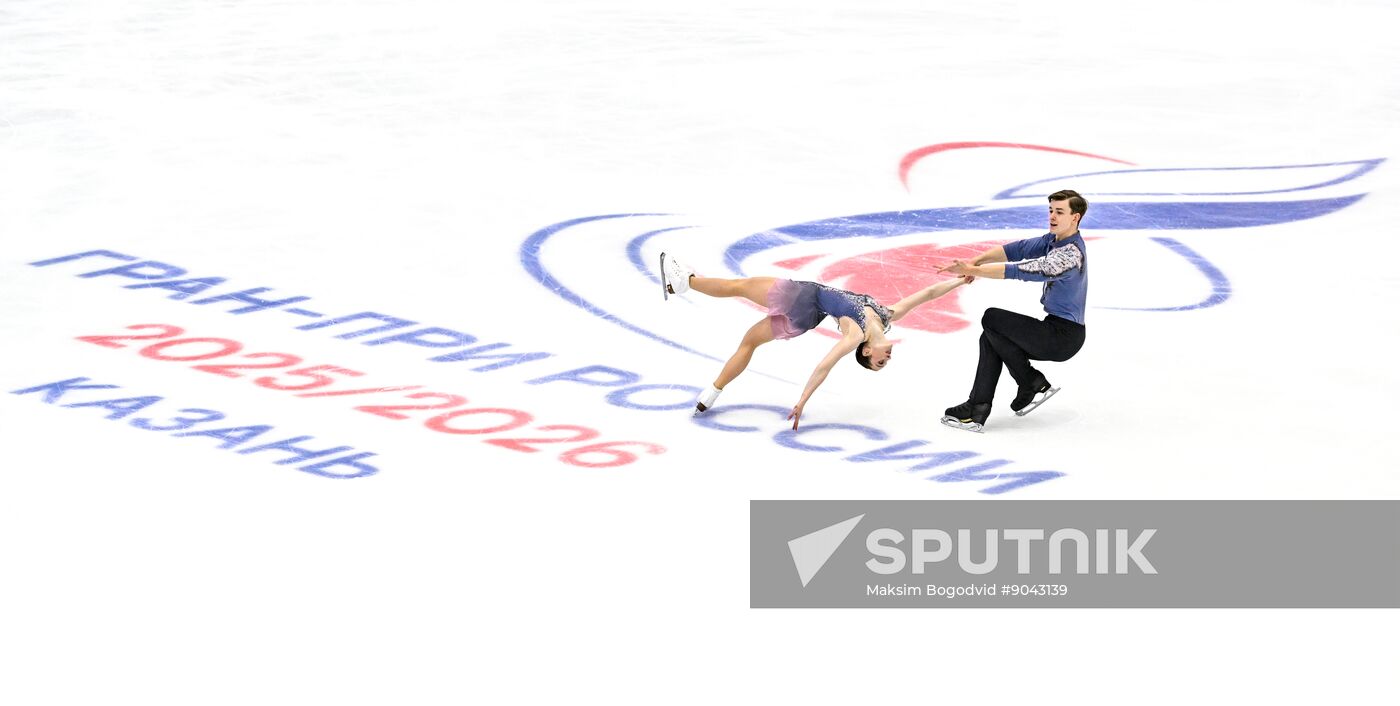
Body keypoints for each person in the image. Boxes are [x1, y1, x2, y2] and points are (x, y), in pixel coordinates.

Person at [659, 253, 971, 429]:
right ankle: (710, 395)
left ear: (866, 350)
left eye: (879, 362)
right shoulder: (888, 315)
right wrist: (961, 279)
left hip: (801, 298)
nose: (886, 359)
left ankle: (686, 282)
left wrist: (803, 401)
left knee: (739, 286)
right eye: (885, 362)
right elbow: (928, 294)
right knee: (750, 342)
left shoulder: (856, 334)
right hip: (806, 319)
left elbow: (824, 366)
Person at [937, 189, 1089, 433]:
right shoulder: (1054, 240)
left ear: (1075, 217)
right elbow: (1019, 250)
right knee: (990, 336)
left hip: (1063, 337)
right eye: (1051, 210)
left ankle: (1030, 380)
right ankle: (978, 407)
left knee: (992, 318)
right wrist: (975, 262)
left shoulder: (1069, 256)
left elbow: (1022, 270)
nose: (1052, 216)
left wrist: (973, 271)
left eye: (1060, 212)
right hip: (1054, 328)